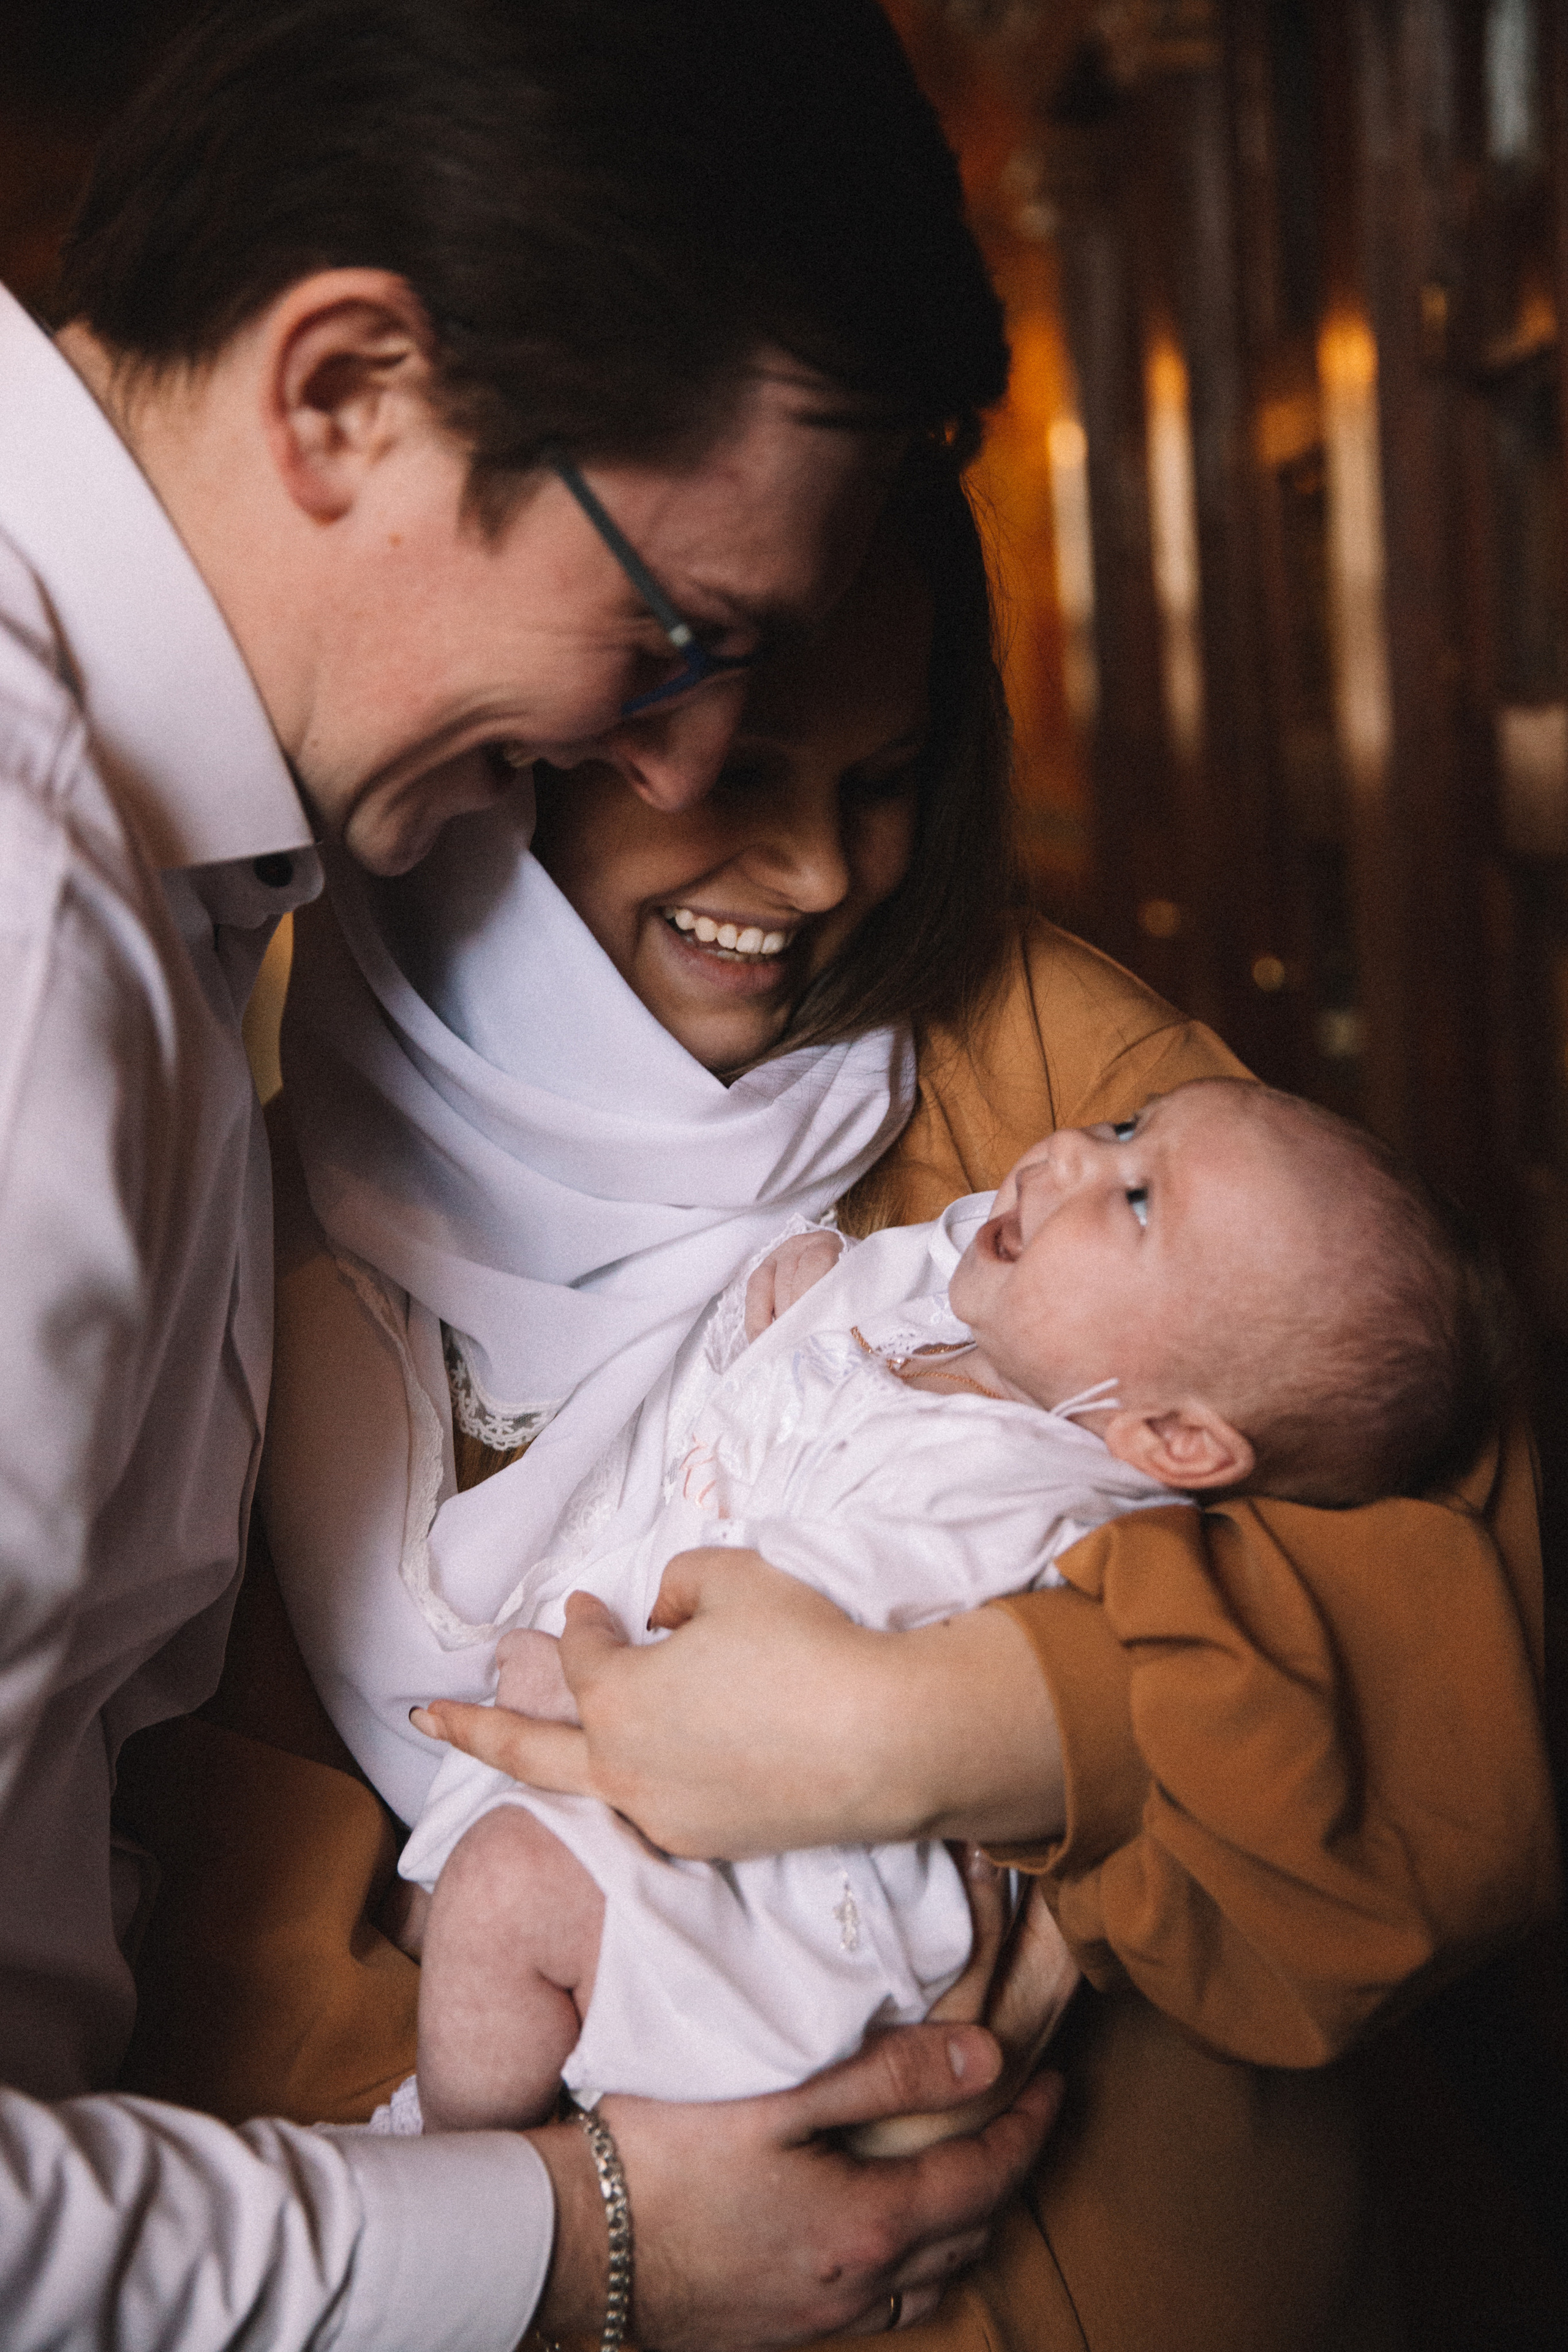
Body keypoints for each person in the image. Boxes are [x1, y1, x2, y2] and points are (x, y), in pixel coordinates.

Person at [0, 4, 1062, 2346]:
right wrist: (581, 2245)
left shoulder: (159, 877)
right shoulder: (23, 932)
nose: (669, 756)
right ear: (349, 393)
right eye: (676, 633)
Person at [396, 1077, 1510, 2134]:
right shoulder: (967, 1324)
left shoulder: (1020, 1500)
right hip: (684, 1805)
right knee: (454, 1908)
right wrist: (799, 1299)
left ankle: (454, 2162)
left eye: (1134, 1201)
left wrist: (584, 1682)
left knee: (500, 1901)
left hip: (788, 1896)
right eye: (1128, 1126)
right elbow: (785, 1395)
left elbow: (762, 1670)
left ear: (1169, 1439)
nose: (1073, 1148)